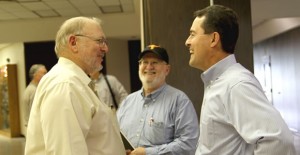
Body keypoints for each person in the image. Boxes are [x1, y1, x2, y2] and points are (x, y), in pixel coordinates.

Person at [185, 5, 296, 155]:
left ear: (214, 39)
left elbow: (278, 142)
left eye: (193, 34)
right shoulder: (218, 82)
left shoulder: (236, 84)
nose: (187, 42)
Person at [25, 16, 126, 155]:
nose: (106, 48)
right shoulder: (65, 85)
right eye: (100, 41)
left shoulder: (73, 82)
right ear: (73, 43)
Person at [117, 44, 199, 155]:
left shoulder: (179, 101)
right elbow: (115, 136)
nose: (149, 67)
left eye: (155, 62)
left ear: (167, 69)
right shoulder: (127, 102)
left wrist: (148, 153)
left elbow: (189, 144)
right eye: (145, 62)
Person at [23, 64, 47, 131]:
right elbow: (35, 112)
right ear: (35, 75)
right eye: (44, 73)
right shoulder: (34, 90)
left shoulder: (32, 88)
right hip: (34, 128)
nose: (46, 75)